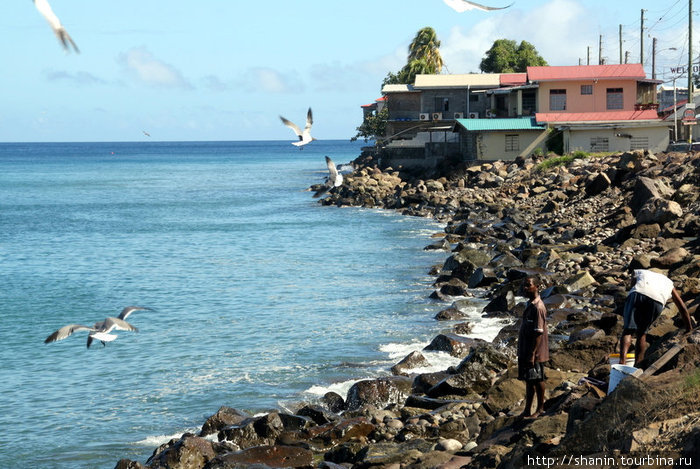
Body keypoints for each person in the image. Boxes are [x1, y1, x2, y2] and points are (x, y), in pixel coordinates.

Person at [619, 269, 694, 367]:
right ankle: (637, 366)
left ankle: (622, 362)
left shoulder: (640, 271)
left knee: (628, 331)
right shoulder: (669, 283)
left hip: (638, 293)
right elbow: (682, 306)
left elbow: (633, 282)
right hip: (657, 301)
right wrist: (689, 328)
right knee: (642, 333)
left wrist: (631, 290)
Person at [517, 276, 549, 419]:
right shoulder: (530, 304)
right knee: (530, 380)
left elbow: (539, 333)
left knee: (538, 379)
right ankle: (527, 409)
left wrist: (532, 353)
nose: (525, 288)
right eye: (524, 285)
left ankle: (540, 409)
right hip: (526, 349)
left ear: (536, 287)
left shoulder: (538, 307)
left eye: (528, 285)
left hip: (535, 351)